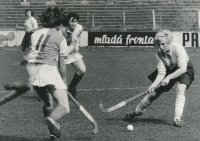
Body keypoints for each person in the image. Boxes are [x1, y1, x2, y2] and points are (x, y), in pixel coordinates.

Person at [124, 29, 194, 127]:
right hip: (169, 69)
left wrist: (169, 77)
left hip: (184, 68)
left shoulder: (177, 47)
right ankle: (136, 111)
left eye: (163, 44)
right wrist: (152, 86)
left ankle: (177, 118)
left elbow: (182, 68)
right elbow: (161, 73)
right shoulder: (159, 54)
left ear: (169, 41)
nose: (161, 47)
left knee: (180, 88)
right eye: (159, 45)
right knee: (153, 93)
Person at [24, 7, 70, 140]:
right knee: (64, 106)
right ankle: (52, 119)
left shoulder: (34, 34)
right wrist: (64, 83)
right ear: (58, 22)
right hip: (48, 71)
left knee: (49, 104)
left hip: (33, 72)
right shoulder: (60, 37)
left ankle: (52, 133)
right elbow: (61, 65)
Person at [60, 13, 86, 99]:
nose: (74, 23)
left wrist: (76, 45)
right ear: (67, 22)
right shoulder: (62, 30)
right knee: (61, 75)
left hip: (72, 51)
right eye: (72, 21)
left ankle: (72, 87)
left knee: (82, 70)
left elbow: (78, 36)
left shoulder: (79, 28)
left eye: (75, 21)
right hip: (61, 52)